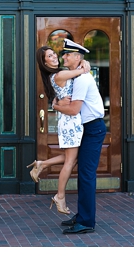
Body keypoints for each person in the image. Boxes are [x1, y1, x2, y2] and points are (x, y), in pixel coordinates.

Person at [28, 45, 91, 215]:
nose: (55, 57)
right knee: (70, 161)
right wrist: (84, 63)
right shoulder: (59, 75)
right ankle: (60, 196)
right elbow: (82, 70)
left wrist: (83, 62)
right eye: (49, 56)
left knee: (73, 158)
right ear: (44, 62)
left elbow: (80, 67)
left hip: (71, 120)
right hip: (70, 121)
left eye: (54, 54)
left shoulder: (56, 75)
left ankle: (42, 164)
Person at [52, 38, 106, 235]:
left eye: (67, 54)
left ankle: (86, 221)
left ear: (77, 57)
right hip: (87, 129)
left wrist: (56, 107)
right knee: (82, 173)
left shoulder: (82, 79)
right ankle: (82, 215)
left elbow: (74, 110)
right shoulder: (78, 76)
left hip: (93, 129)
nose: (63, 57)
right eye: (64, 54)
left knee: (86, 175)